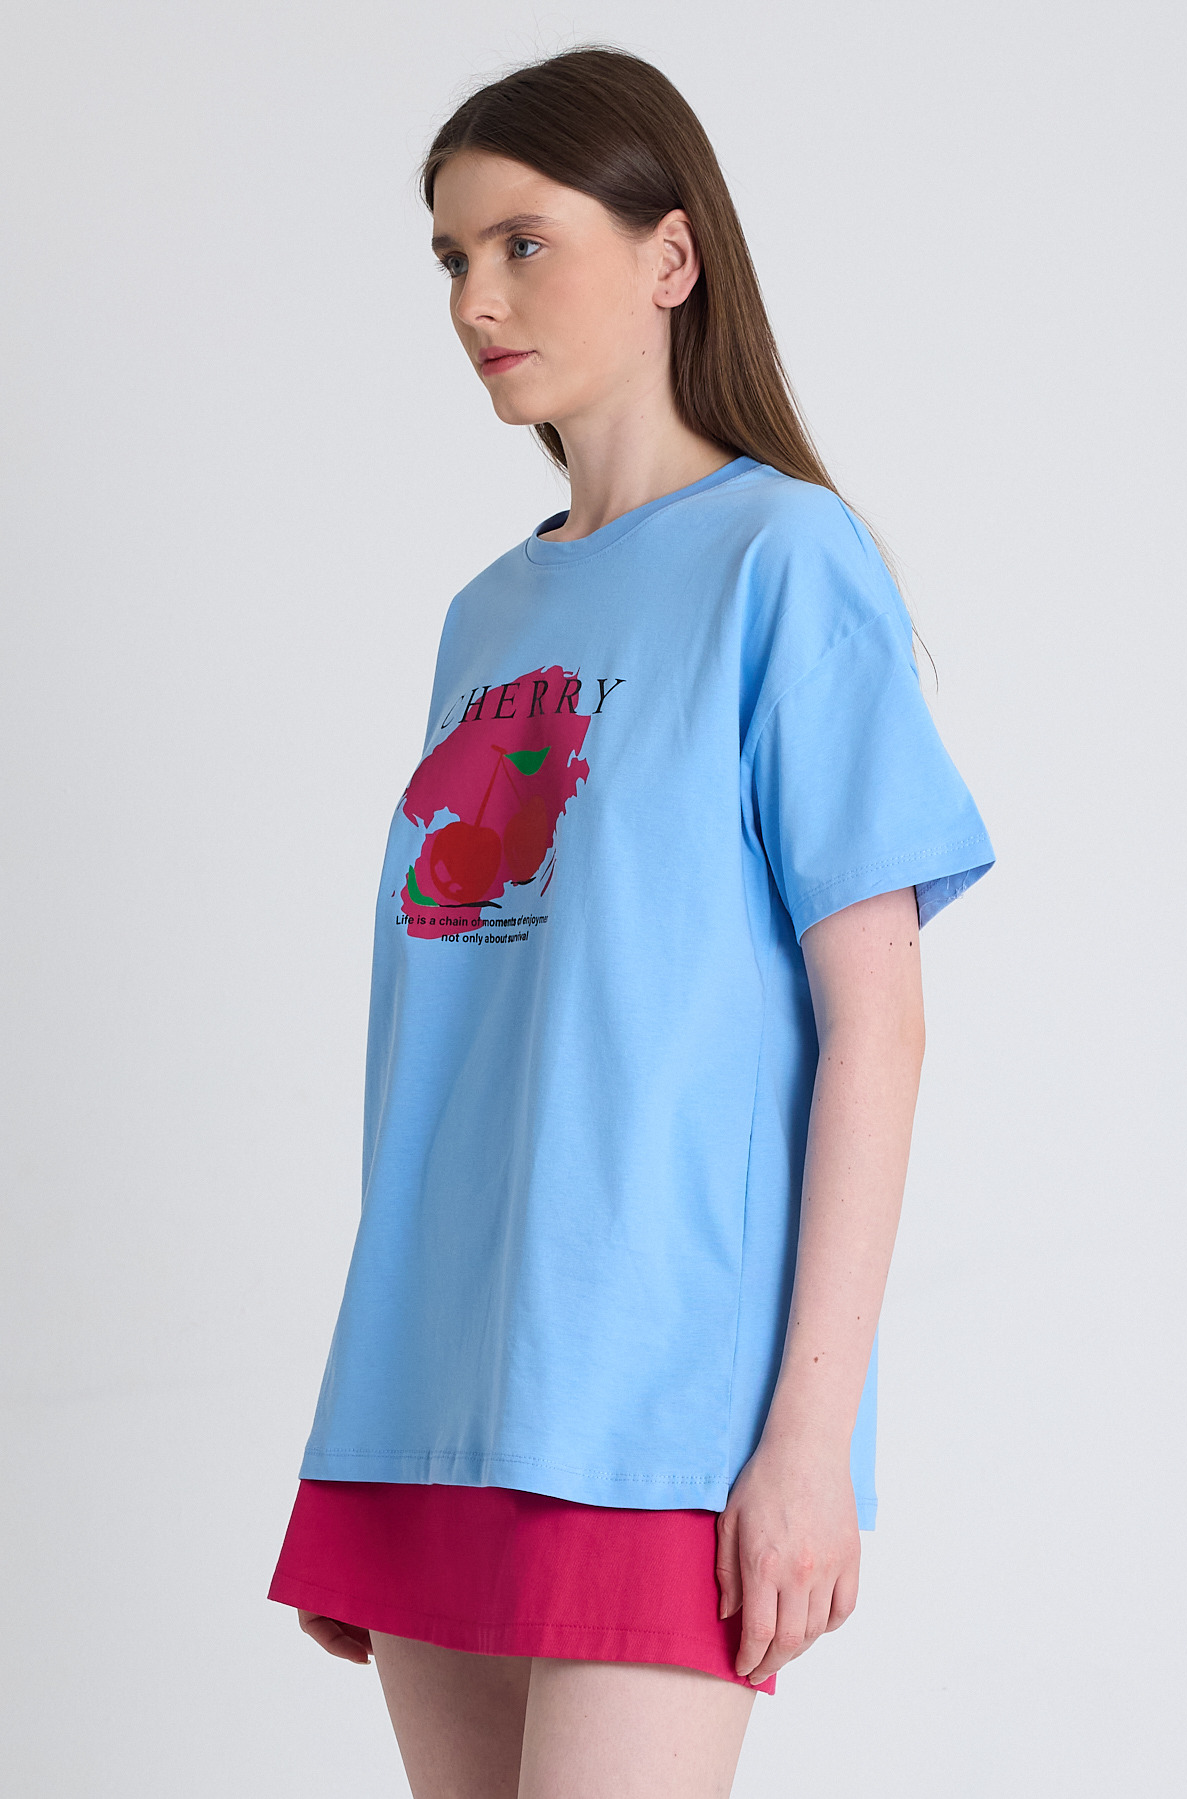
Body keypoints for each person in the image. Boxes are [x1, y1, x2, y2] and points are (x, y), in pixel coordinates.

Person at [267, 43, 994, 1798]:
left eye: (523, 244)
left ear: (672, 256)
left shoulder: (784, 560)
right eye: (452, 258)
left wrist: (809, 1439)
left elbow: (877, 1025)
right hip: (430, 1385)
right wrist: (370, 1419)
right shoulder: (484, 617)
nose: (475, 300)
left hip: (661, 1408)